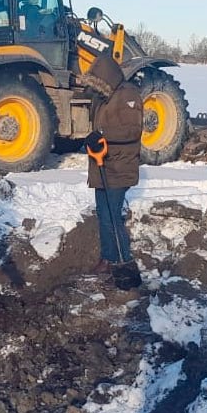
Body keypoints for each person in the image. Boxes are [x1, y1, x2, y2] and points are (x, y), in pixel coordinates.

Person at [82, 54, 144, 289]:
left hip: (120, 166)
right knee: (103, 214)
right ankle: (108, 259)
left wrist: (103, 136)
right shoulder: (106, 96)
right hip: (103, 165)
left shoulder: (128, 95)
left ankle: (122, 260)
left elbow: (132, 131)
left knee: (111, 216)